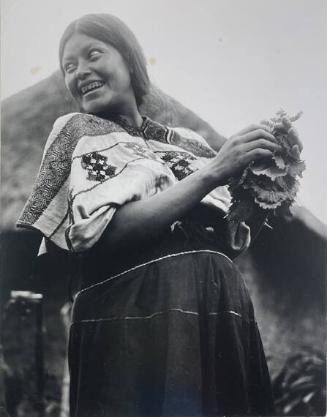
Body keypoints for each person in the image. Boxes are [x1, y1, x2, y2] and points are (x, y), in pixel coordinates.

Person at [17, 13, 279, 417]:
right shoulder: (77, 130)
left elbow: (227, 242)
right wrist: (213, 173)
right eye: (69, 66)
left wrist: (265, 191)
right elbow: (104, 234)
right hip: (139, 314)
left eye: (93, 55)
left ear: (130, 61)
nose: (80, 72)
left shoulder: (189, 143)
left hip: (217, 308)